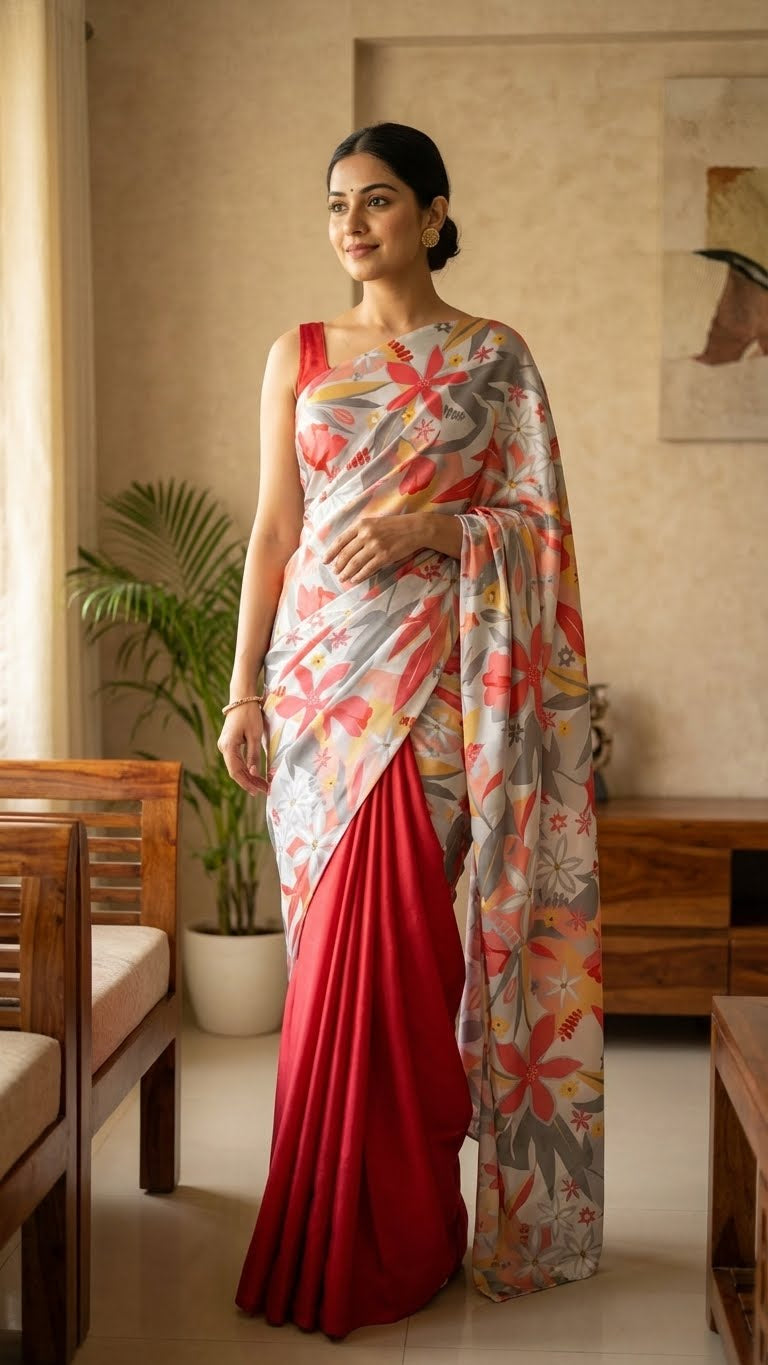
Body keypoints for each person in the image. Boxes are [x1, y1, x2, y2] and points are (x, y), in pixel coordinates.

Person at [218, 121, 604, 1339]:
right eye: (338, 203)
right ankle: (323, 1226)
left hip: (441, 690)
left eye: (378, 200)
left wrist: (436, 530)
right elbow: (272, 533)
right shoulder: (298, 352)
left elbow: (540, 530)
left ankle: (401, 1235)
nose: (352, 223)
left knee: (401, 961)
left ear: (434, 215)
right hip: (316, 692)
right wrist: (240, 691)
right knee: (333, 957)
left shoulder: (494, 358)